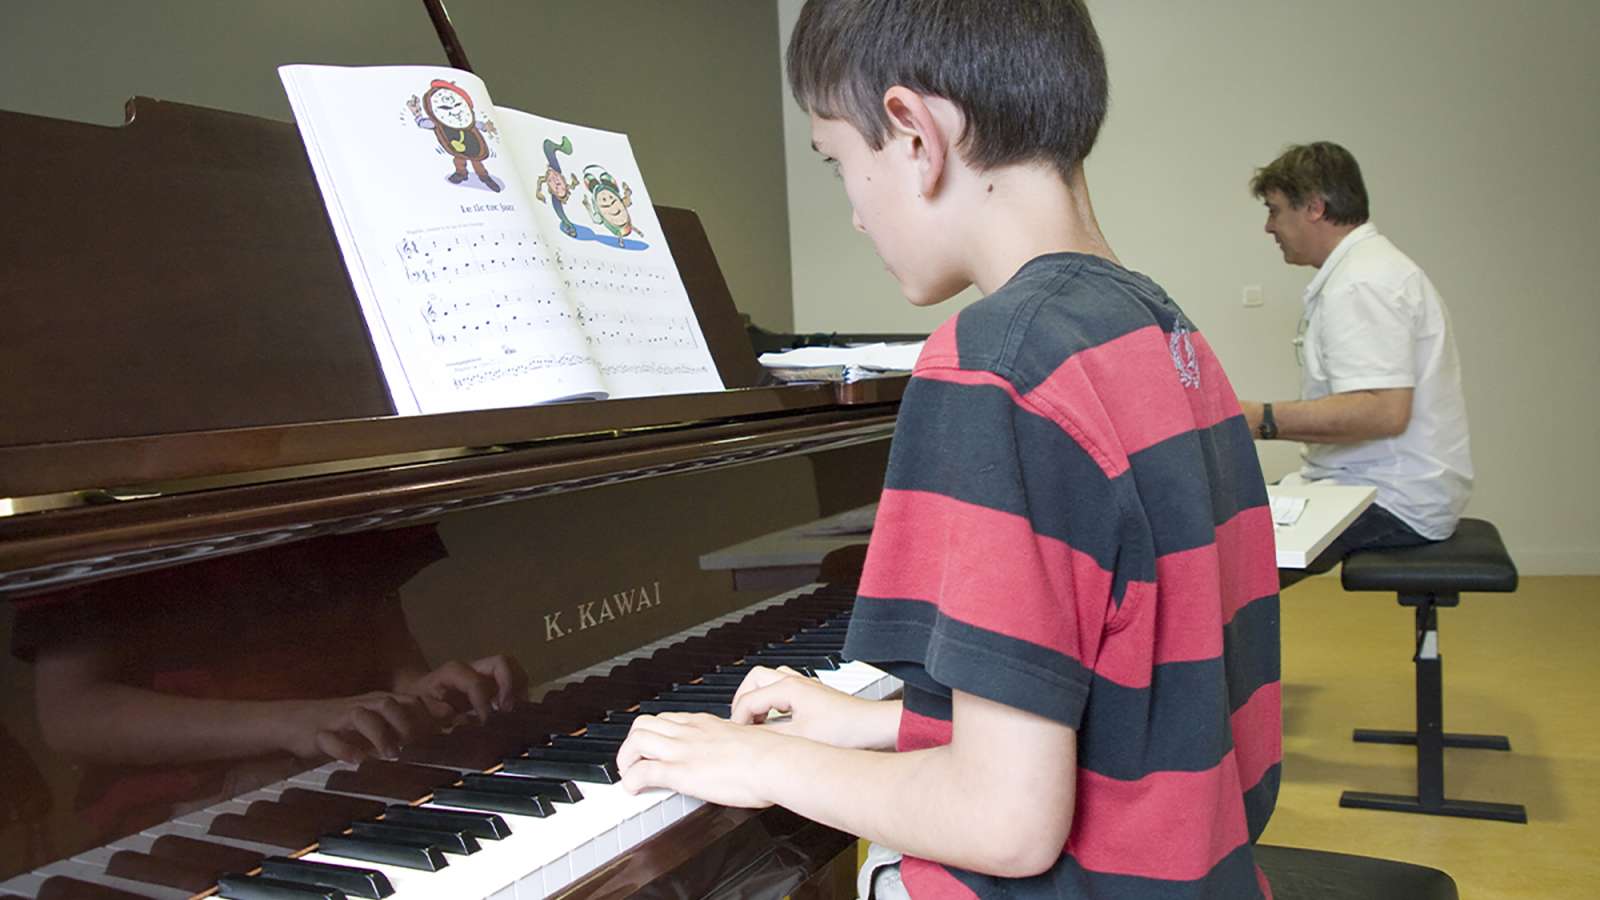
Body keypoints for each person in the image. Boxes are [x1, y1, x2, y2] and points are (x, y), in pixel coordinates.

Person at [616, 2, 1282, 898]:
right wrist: (878, 725)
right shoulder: (1162, 334)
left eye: (836, 162)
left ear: (914, 134)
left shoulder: (993, 364)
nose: (856, 214)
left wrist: (761, 762)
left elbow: (1002, 823)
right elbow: (1135, 702)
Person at [13, 526, 525, 845]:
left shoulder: (336, 454)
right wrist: (301, 721)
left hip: (353, 775)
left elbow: (386, 647)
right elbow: (71, 713)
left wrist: (422, 695)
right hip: (194, 813)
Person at [1239, 142, 1472, 579]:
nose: (1269, 227)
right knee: (1227, 525)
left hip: (1392, 497)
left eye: (1275, 210)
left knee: (1223, 562)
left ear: (1314, 207)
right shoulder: (1362, 271)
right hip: (1370, 484)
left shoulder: (1363, 281)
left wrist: (1259, 418)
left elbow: (1383, 411)